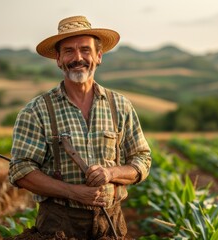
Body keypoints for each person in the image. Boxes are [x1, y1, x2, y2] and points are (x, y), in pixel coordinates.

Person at [8, 15, 152, 239]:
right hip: (59, 226)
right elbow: (21, 171)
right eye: (69, 51)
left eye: (85, 50)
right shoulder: (36, 111)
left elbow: (142, 159)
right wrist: (74, 192)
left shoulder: (120, 106)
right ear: (58, 59)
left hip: (111, 224)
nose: (78, 58)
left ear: (98, 56)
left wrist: (110, 173)